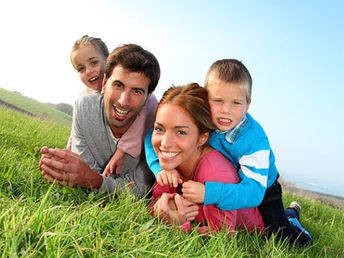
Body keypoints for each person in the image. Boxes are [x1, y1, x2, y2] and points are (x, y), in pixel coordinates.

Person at [145, 59, 312, 245]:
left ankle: (295, 225)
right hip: (232, 178)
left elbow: (253, 193)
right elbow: (150, 137)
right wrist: (159, 167)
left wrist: (209, 193)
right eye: (217, 101)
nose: (225, 111)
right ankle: (290, 212)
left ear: (248, 105)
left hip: (262, 188)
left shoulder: (255, 142)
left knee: (279, 235)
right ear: (205, 97)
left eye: (236, 103)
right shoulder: (203, 117)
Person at [39, 43, 160, 197]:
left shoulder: (156, 130)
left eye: (136, 91)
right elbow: (84, 168)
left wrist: (94, 180)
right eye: (118, 85)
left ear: (147, 97)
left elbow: (142, 189)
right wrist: (66, 166)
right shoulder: (84, 108)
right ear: (104, 84)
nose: (123, 101)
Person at [151, 83, 265, 235]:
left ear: (202, 138)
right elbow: (156, 205)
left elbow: (223, 238)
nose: (165, 143)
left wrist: (180, 226)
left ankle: (292, 214)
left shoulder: (216, 174)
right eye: (160, 129)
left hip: (255, 230)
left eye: (181, 132)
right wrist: (159, 209)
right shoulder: (171, 164)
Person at [67, 35, 157, 176]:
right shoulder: (84, 100)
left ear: (108, 60)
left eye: (94, 63)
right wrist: (68, 154)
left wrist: (122, 149)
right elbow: (76, 134)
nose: (88, 71)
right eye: (81, 68)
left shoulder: (149, 101)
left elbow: (141, 123)